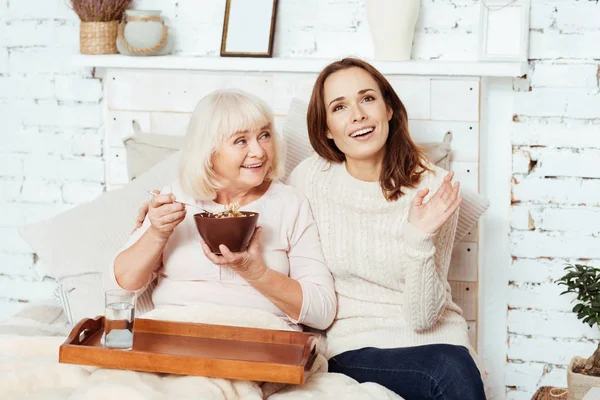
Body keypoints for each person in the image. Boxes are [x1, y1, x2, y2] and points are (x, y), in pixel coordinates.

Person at [285, 58, 486, 399]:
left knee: (449, 366)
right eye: (339, 107)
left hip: (438, 342)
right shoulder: (309, 179)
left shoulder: (434, 186)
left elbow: (424, 318)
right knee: (447, 368)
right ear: (326, 130)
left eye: (367, 99)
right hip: (354, 345)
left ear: (388, 108)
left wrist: (419, 238)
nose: (358, 115)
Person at [112, 89, 336, 332]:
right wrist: (156, 234)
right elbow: (118, 290)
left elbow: (322, 311)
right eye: (241, 140)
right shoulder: (178, 198)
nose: (259, 151)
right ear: (208, 152)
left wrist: (256, 273)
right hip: (174, 334)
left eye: (264, 135)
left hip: (260, 338)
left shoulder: (290, 203)